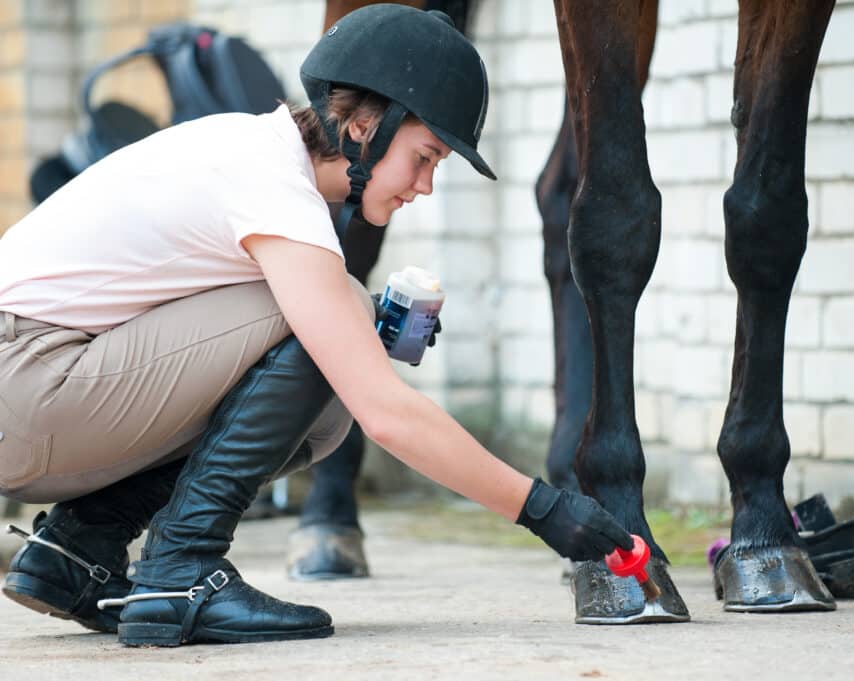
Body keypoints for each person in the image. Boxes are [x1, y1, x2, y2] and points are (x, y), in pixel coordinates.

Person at [0, 5, 634, 647]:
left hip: (36, 389)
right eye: (424, 157)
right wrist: (548, 511)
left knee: (326, 404)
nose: (426, 187)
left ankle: (79, 550)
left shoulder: (252, 153)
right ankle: (181, 569)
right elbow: (387, 414)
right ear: (364, 128)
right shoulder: (273, 186)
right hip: (26, 379)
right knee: (340, 321)